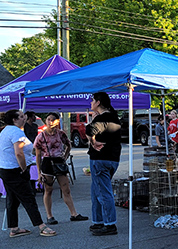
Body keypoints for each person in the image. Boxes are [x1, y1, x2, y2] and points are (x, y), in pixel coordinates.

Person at [0, 109, 55, 238]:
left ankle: (14, 228)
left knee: (12, 199)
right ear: (14, 120)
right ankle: (41, 225)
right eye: (22, 116)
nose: (24, 118)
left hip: (5, 169)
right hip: (14, 170)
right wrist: (23, 169)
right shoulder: (16, 132)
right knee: (28, 197)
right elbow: (19, 152)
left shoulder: (6, 130)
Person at [34, 112, 87, 225]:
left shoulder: (61, 134)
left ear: (58, 121)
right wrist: (39, 173)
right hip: (47, 162)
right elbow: (38, 156)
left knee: (66, 189)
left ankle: (74, 214)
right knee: (48, 190)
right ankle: (49, 216)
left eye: (53, 119)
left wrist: (65, 156)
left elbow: (69, 144)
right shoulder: (41, 136)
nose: (50, 122)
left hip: (59, 162)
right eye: (48, 119)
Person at [85, 92, 122, 236]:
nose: (91, 103)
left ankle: (109, 223)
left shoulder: (102, 118)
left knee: (102, 192)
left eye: (92, 100)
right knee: (96, 190)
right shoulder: (114, 117)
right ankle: (98, 221)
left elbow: (89, 130)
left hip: (100, 159)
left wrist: (92, 141)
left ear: (98, 102)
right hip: (113, 158)